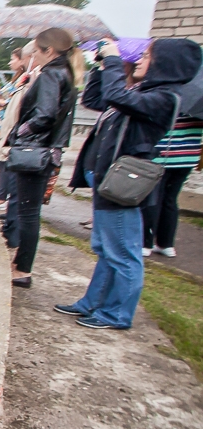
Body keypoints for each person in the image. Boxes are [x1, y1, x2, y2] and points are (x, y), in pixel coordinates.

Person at [57, 36, 202, 329]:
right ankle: (92, 304)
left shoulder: (163, 97)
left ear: (165, 64)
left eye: (147, 56)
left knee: (124, 253)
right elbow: (96, 99)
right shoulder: (144, 92)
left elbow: (116, 97)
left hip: (124, 185)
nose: (139, 61)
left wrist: (113, 60)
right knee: (107, 248)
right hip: (108, 180)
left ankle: (116, 315)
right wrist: (101, 66)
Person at [4, 30, 80, 288]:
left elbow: (44, 116)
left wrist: (19, 132)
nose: (33, 56)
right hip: (48, 152)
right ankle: (20, 264)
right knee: (30, 211)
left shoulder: (51, 74)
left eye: (36, 51)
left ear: (49, 51)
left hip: (35, 151)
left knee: (27, 212)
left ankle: (22, 268)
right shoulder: (66, 74)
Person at [141, 96, 202, 257]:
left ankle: (145, 242)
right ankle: (166, 243)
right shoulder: (198, 103)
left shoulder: (175, 96)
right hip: (188, 156)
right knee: (170, 200)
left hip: (164, 154)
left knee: (152, 199)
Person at [0, 46, 30, 209]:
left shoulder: (25, 79)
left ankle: (2, 196)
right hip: (0, 124)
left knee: (4, 161)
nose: (10, 62)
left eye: (13, 59)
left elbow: (14, 101)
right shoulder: (17, 78)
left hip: (7, 124)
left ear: (22, 60)